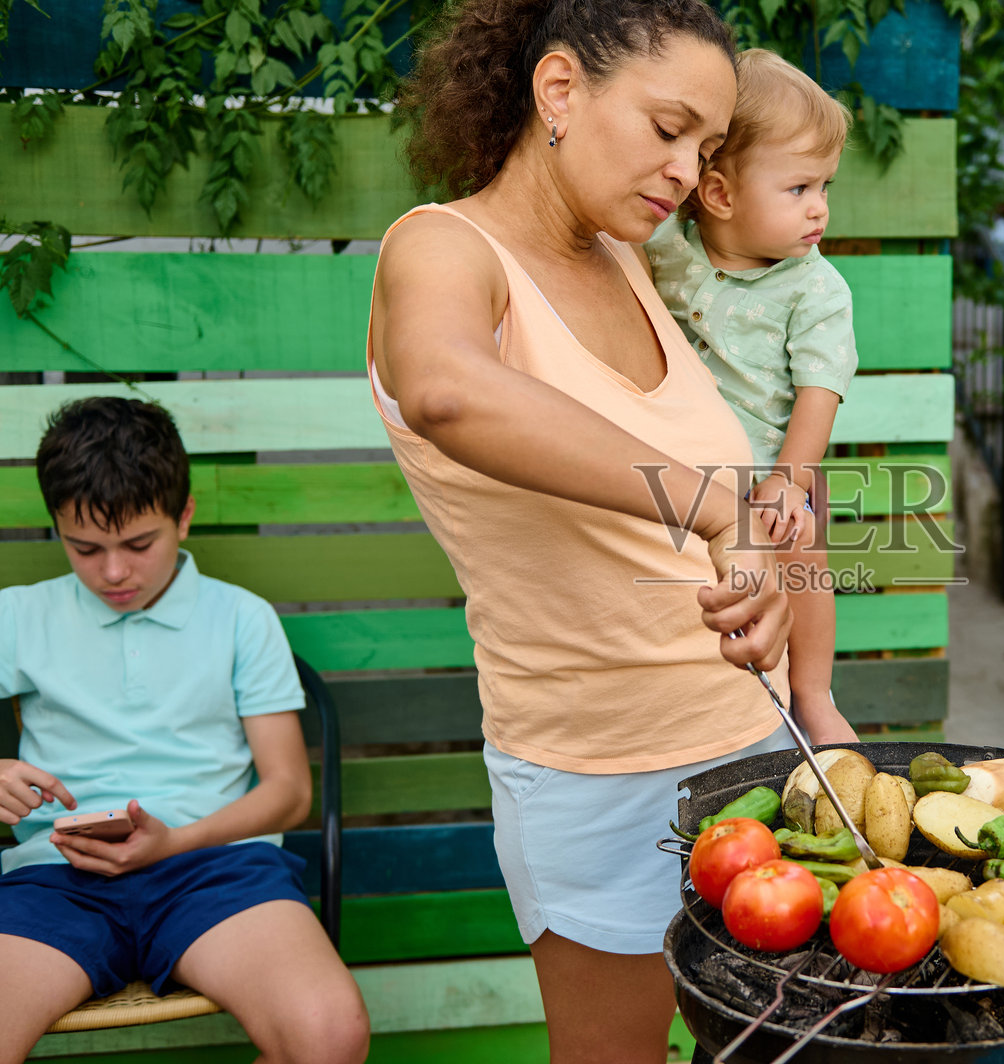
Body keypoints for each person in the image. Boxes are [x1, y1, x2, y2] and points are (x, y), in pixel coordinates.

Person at [372, 2, 856, 1060]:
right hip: (599, 773)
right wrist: (717, 504)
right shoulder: (443, 249)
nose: (687, 170)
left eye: (707, 148)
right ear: (559, 92)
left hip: (751, 743)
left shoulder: (640, 263)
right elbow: (445, 388)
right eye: (667, 127)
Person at [0, 397, 369, 1064]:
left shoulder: (240, 618)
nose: (113, 573)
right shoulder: (18, 616)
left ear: (185, 515)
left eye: (139, 545)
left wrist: (173, 842)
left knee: (328, 1035)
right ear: (56, 526)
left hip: (215, 868)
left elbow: (288, 792)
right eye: (84, 547)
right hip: (56, 876)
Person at [645, 48, 858, 732]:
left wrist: (791, 481)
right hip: (676, 478)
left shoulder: (815, 287)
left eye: (825, 187)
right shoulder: (664, 249)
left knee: (801, 549)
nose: (819, 209)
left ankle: (814, 693)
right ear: (720, 195)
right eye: (799, 190)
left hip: (766, 474)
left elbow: (819, 389)